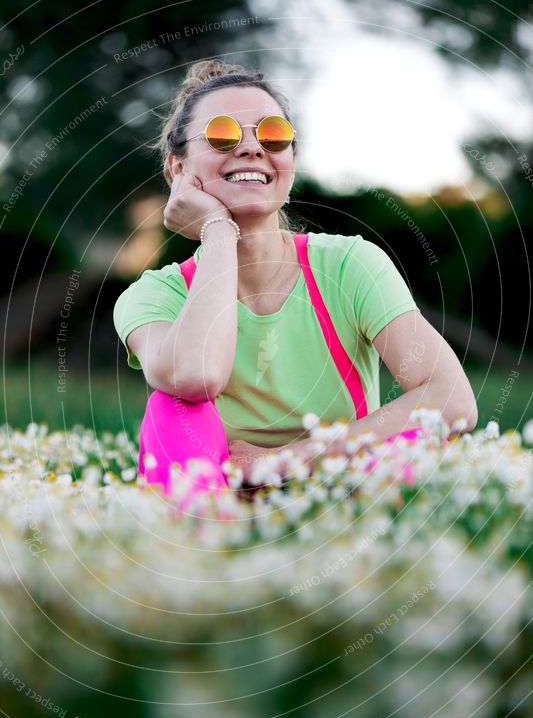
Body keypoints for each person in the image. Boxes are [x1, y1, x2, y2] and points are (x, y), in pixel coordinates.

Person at [113, 58, 477, 503]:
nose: (251, 149)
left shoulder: (349, 265)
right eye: (222, 135)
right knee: (168, 405)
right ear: (178, 169)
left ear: (290, 160)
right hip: (219, 496)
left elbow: (453, 400)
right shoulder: (154, 294)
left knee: (421, 429)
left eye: (273, 136)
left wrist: (286, 460)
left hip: (342, 486)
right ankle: (206, 545)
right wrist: (218, 231)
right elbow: (196, 377)